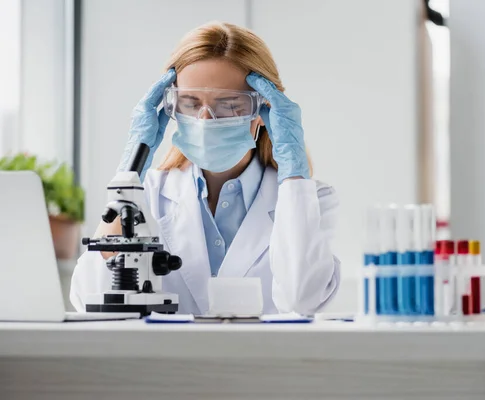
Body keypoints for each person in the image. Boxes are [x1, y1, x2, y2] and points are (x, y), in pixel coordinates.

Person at [70, 22, 340, 315]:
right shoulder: (145, 195)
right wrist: (129, 173)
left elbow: (302, 300)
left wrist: (294, 176)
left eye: (229, 104)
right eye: (189, 102)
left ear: (264, 109)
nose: (206, 119)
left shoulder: (309, 199)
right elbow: (90, 300)